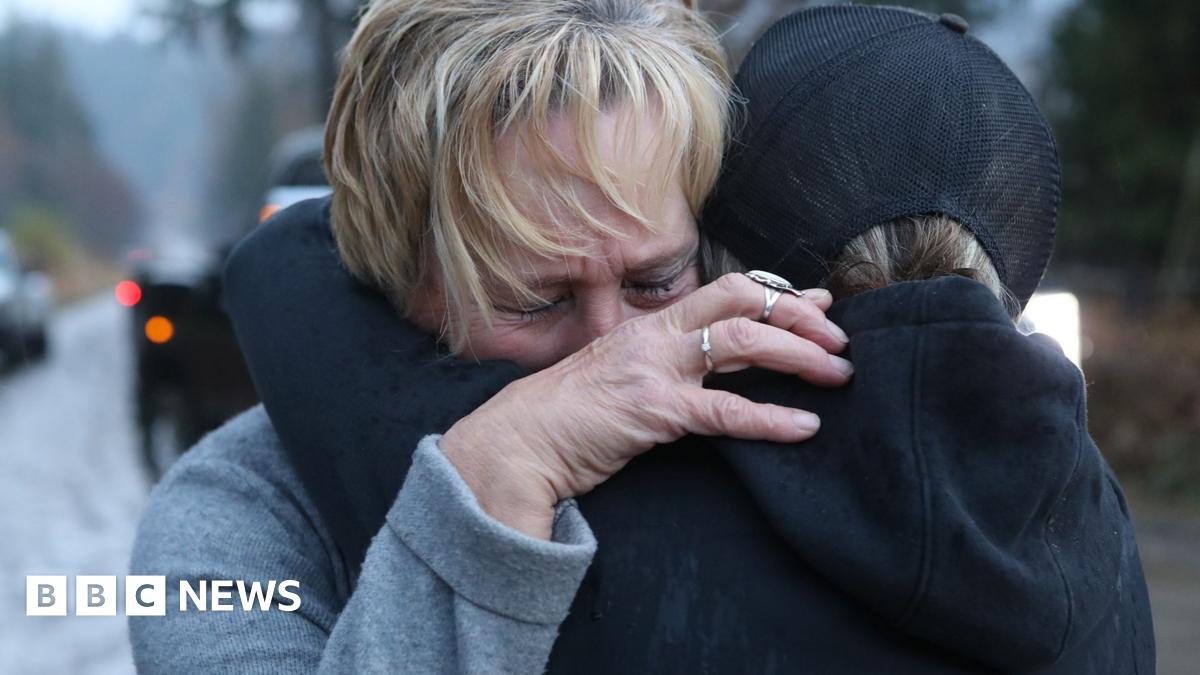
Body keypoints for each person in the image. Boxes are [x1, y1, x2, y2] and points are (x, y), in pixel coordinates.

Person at [130, 3, 1154, 674]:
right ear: (396, 274)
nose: (616, 351)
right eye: (533, 298)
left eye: (655, 280)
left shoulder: (801, 423)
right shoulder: (233, 521)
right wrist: (499, 475)